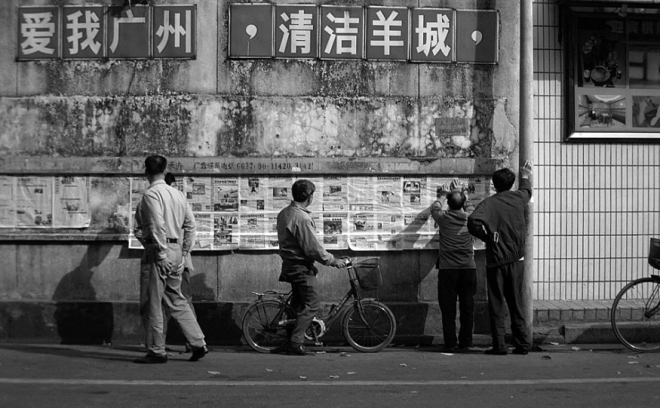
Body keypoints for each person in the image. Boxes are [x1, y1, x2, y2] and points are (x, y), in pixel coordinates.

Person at [133, 155, 208, 364]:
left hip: (160, 250)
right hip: (176, 250)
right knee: (177, 299)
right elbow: (191, 225)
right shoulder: (177, 194)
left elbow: (156, 225)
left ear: (146, 172)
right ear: (165, 171)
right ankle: (198, 343)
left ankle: (157, 350)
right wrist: (184, 253)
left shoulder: (151, 194)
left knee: (154, 302)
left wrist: (161, 253)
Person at [467, 162, 533, 356]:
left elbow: (472, 222)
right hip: (516, 260)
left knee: (496, 304)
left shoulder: (489, 203)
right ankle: (522, 344)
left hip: (496, 260)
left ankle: (499, 345)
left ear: (494, 185)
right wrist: (526, 175)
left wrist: (487, 236)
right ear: (511, 184)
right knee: (516, 302)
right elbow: (527, 189)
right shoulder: (519, 197)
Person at [276, 179, 346, 356]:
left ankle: (288, 338)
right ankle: (295, 342)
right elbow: (312, 247)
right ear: (309, 197)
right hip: (300, 267)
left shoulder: (285, 213)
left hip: (290, 264)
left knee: (298, 305)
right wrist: (332, 260)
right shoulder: (302, 218)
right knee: (313, 304)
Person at [431, 185, 476, 352]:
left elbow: (435, 207)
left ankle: (450, 342)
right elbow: (470, 207)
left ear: (448, 205)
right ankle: (466, 341)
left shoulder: (443, 218)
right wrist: (464, 194)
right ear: (463, 204)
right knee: (467, 307)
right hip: (468, 269)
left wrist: (442, 194)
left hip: (448, 270)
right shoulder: (470, 217)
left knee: (448, 308)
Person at [162, 173, 196, 353]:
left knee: (158, 302)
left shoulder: (152, 199)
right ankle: (193, 341)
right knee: (183, 300)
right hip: (180, 258)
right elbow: (191, 226)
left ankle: (157, 343)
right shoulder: (179, 199)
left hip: (161, 257)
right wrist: (184, 253)